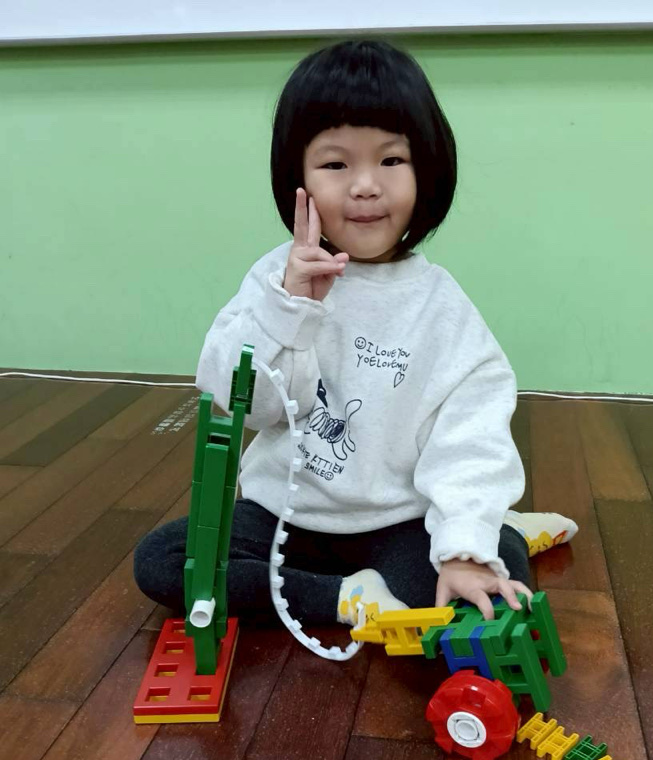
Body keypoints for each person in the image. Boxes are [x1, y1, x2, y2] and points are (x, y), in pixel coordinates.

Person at [133, 38, 577, 628]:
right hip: (284, 514)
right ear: (298, 178)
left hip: (399, 520)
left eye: (391, 161)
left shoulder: (440, 305)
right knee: (164, 561)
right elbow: (244, 405)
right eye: (336, 164)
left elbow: (471, 435)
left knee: (484, 579)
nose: (365, 185)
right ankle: (345, 598)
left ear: (427, 169)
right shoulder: (275, 280)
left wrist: (465, 546)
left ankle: (495, 526)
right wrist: (289, 308)